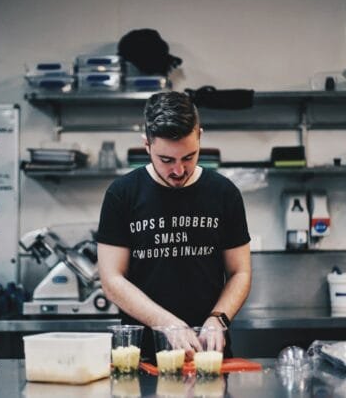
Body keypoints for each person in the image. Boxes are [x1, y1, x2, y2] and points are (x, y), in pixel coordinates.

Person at [96, 91, 251, 362]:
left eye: (189, 157)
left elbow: (240, 272)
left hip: (209, 356)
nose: (179, 170)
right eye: (166, 160)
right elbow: (111, 280)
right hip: (141, 357)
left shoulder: (224, 193)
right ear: (147, 145)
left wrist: (218, 319)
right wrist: (165, 323)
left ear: (200, 136)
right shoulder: (122, 194)